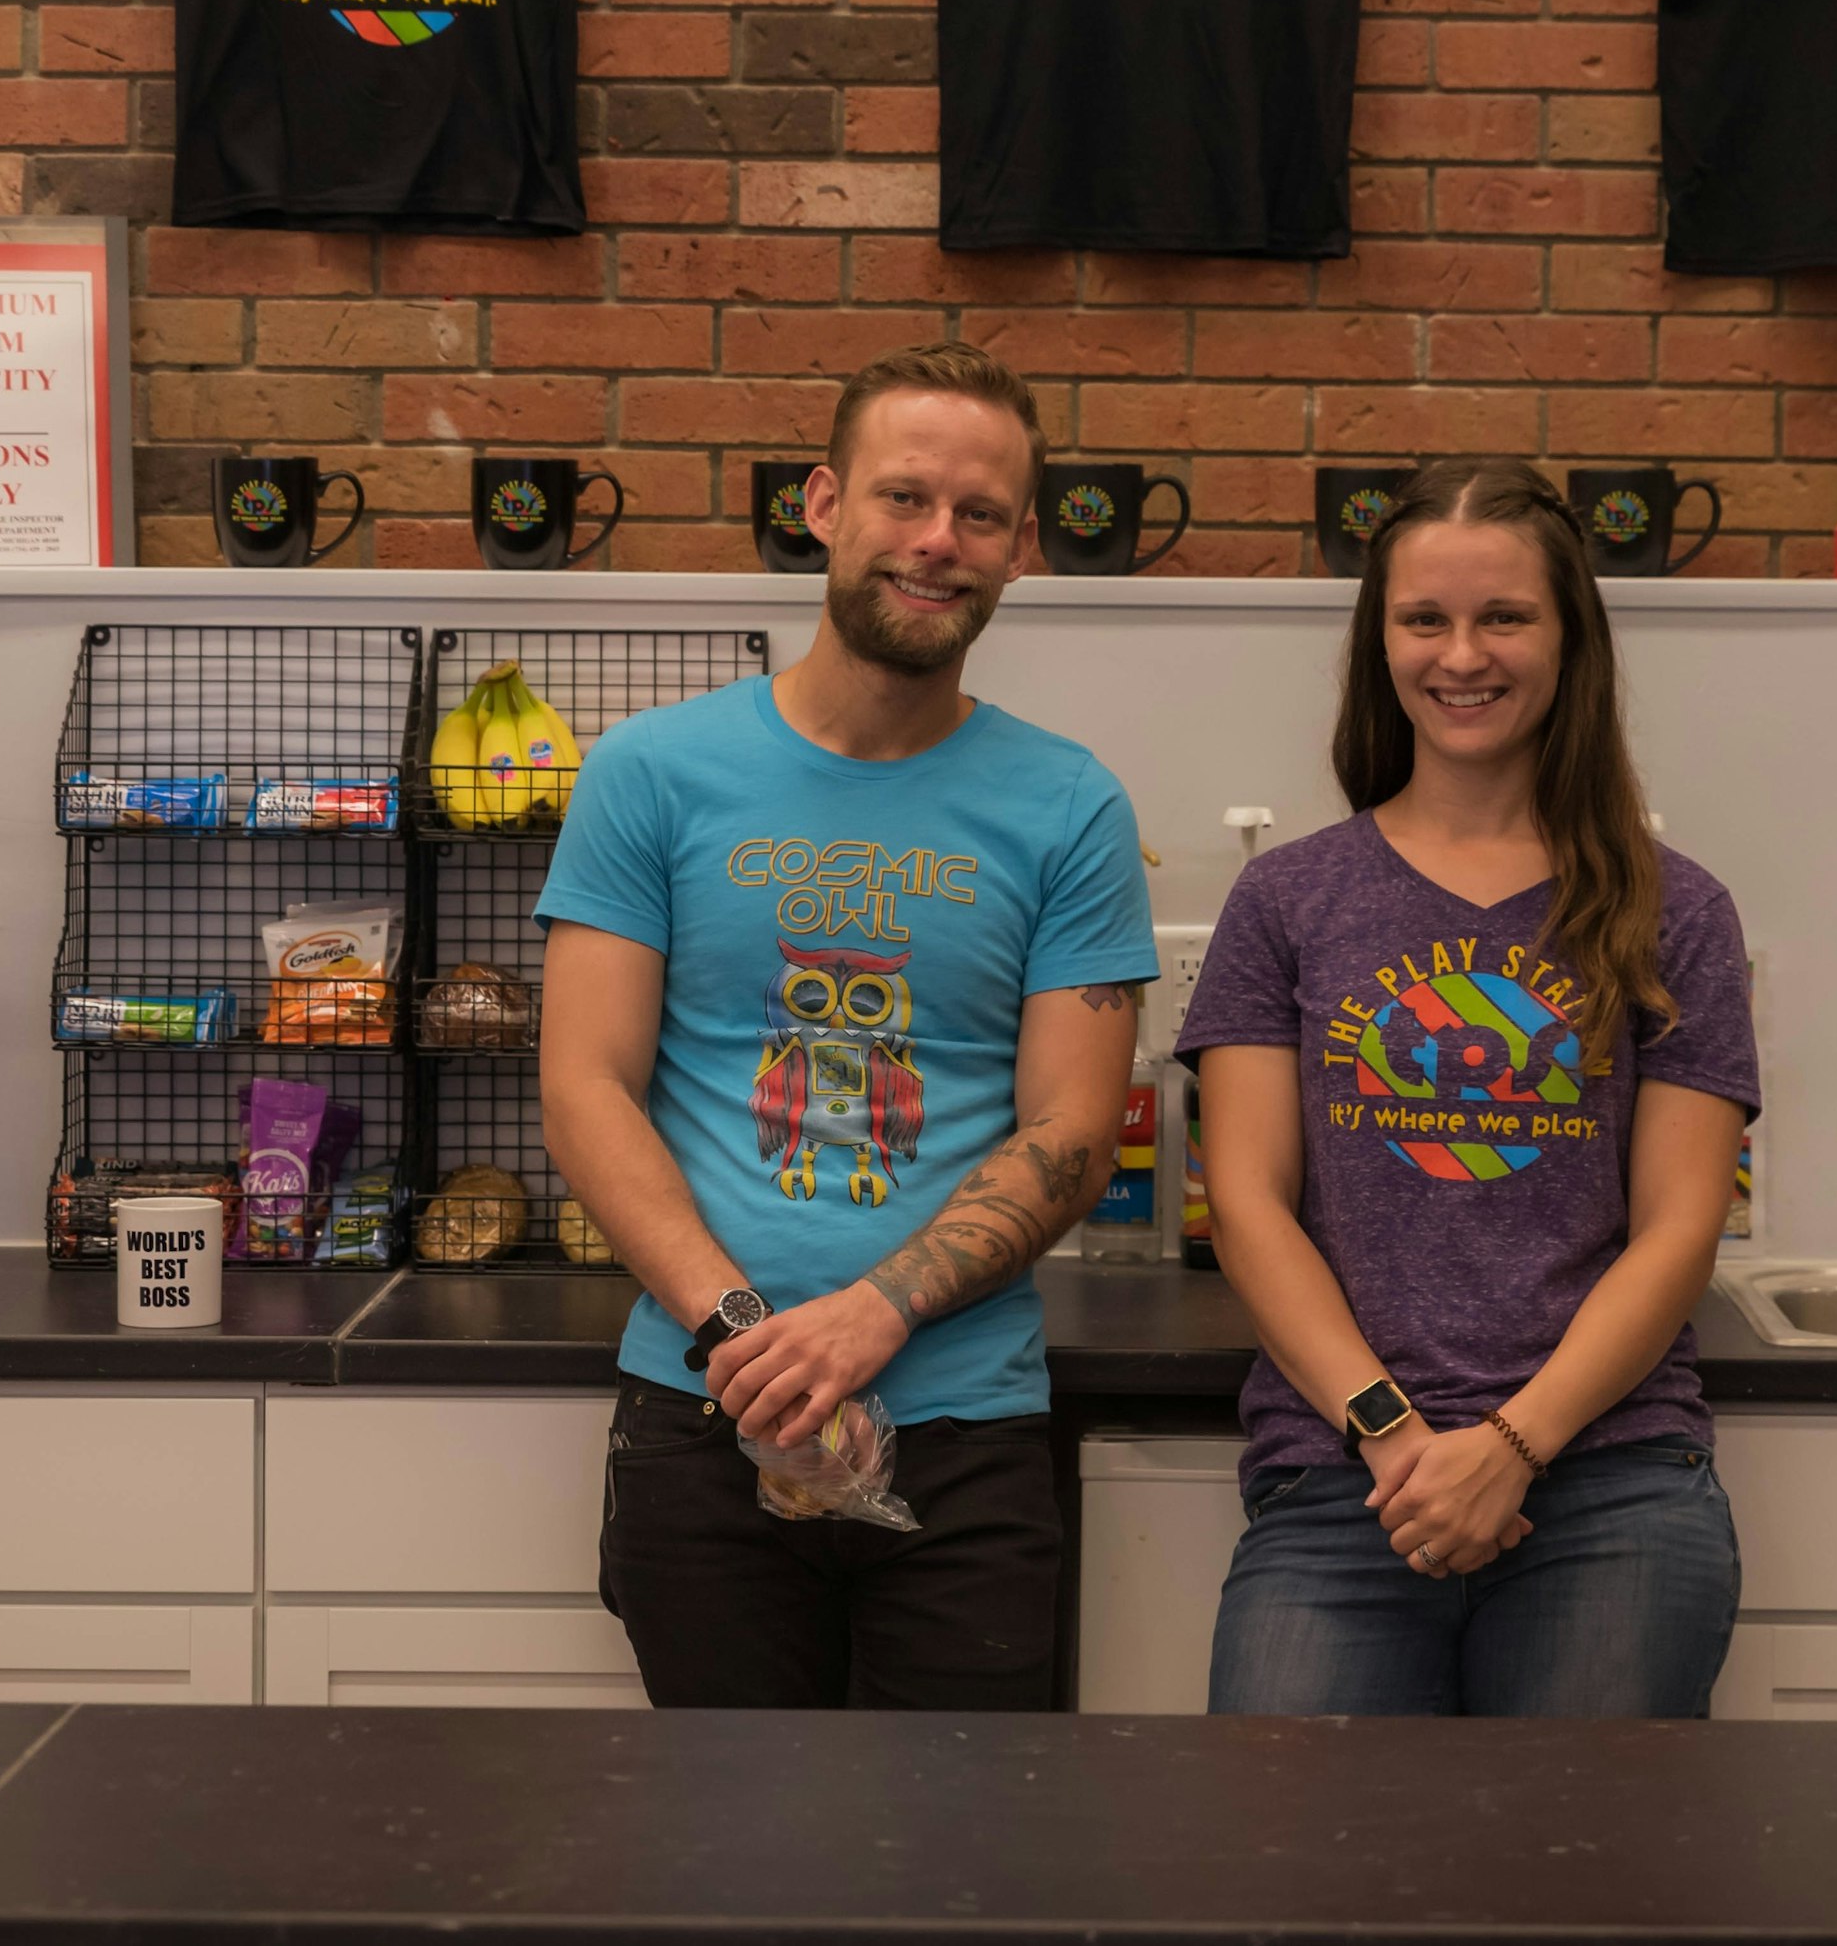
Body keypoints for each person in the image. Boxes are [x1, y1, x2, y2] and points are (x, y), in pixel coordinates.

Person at [539, 340, 1156, 1710]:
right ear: (824, 502)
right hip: (705, 1409)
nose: (938, 541)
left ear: (1021, 550)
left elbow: (1071, 1128)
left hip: (967, 1435)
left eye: (981, 514)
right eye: (904, 496)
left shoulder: (1070, 806)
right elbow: (585, 1084)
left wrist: (873, 1315)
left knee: (955, 1878)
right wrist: (747, 1337)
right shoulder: (652, 771)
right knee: (727, 1866)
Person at [1181, 454, 1758, 1717]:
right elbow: (1248, 1201)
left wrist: (1512, 1445)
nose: (1462, 654)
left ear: (1569, 640)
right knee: (1288, 1883)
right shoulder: (1287, 901)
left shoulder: (1679, 911)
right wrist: (1394, 1434)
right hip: (1345, 1476)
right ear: (1377, 639)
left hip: (1611, 1480)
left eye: (1504, 615)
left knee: (1567, 1897)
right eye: (1424, 618)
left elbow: (1678, 1230)